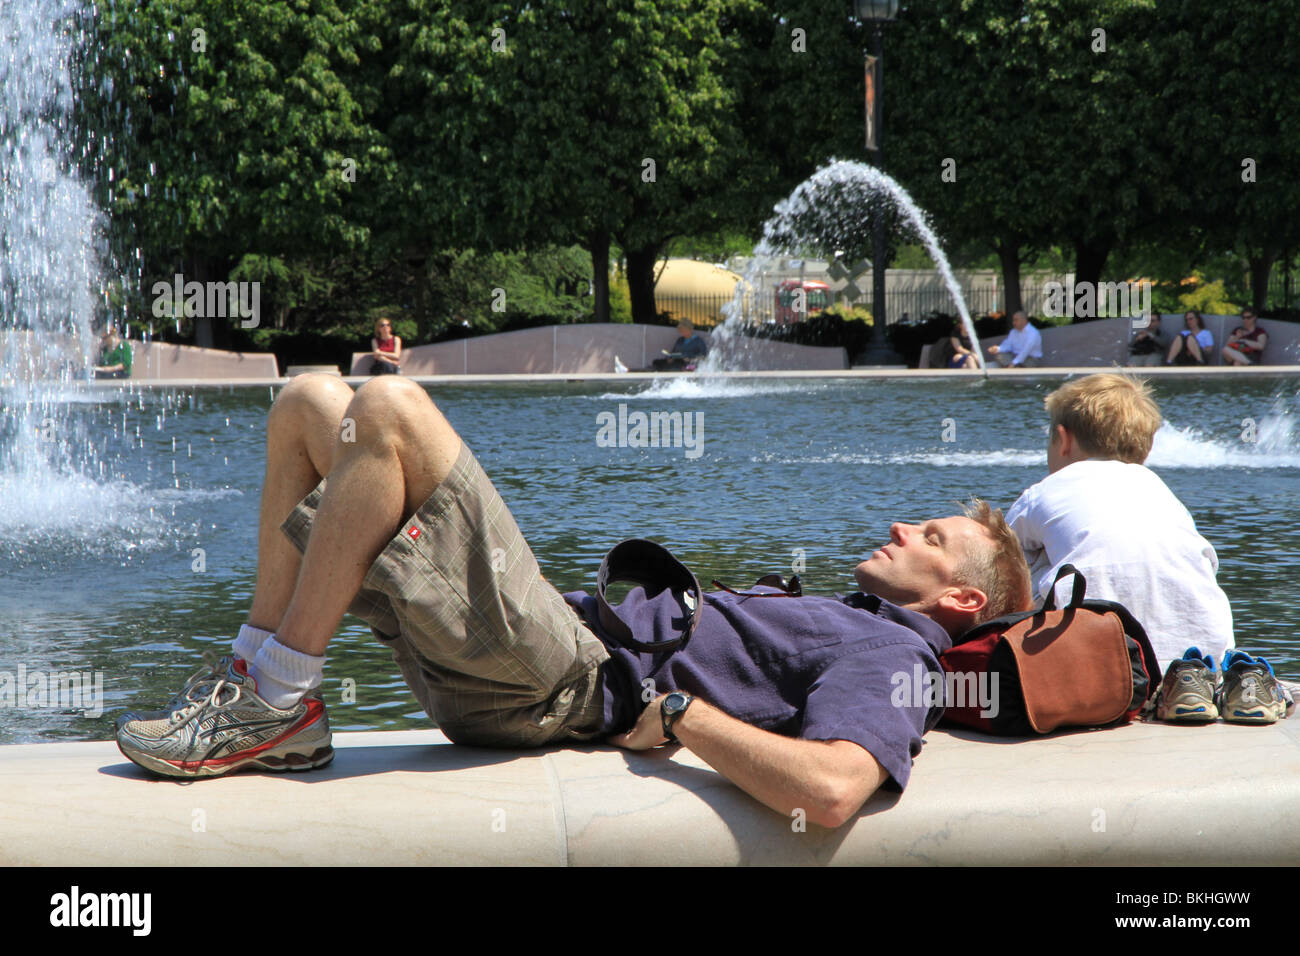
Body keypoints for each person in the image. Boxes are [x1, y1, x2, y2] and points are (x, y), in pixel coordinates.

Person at [116, 373, 1033, 828]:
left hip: (568, 681)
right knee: (310, 402)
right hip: (541, 653)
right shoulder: (852, 617)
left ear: (957, 599)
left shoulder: (893, 655)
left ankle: (277, 697)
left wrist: (679, 716)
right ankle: (258, 680)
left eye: (935, 537)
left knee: (390, 406)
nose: (907, 526)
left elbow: (834, 791)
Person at [1004, 373, 1234, 674]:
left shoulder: (1044, 491)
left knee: (1013, 561)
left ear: (1064, 439)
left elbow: (999, 558)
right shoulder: (1161, 492)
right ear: (1147, 447)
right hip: (1203, 661)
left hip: (1098, 661)